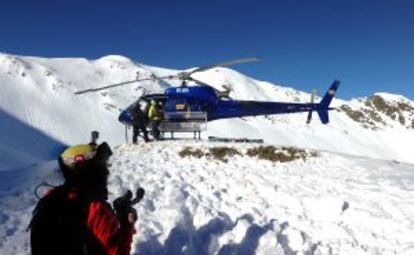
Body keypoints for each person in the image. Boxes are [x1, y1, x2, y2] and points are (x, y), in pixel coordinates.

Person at [29, 141, 141, 255]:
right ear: (92, 170)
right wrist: (127, 223)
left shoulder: (52, 197)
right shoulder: (94, 207)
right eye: (102, 165)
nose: (107, 171)